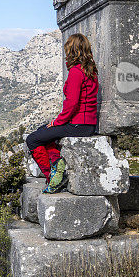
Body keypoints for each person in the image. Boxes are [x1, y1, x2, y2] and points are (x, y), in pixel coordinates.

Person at [26, 33, 99, 193]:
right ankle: (57, 166)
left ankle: (53, 178)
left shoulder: (75, 72)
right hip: (88, 124)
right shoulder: (91, 71)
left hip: (78, 125)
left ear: (71, 51)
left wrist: (57, 122)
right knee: (42, 131)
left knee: (32, 140)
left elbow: (72, 104)